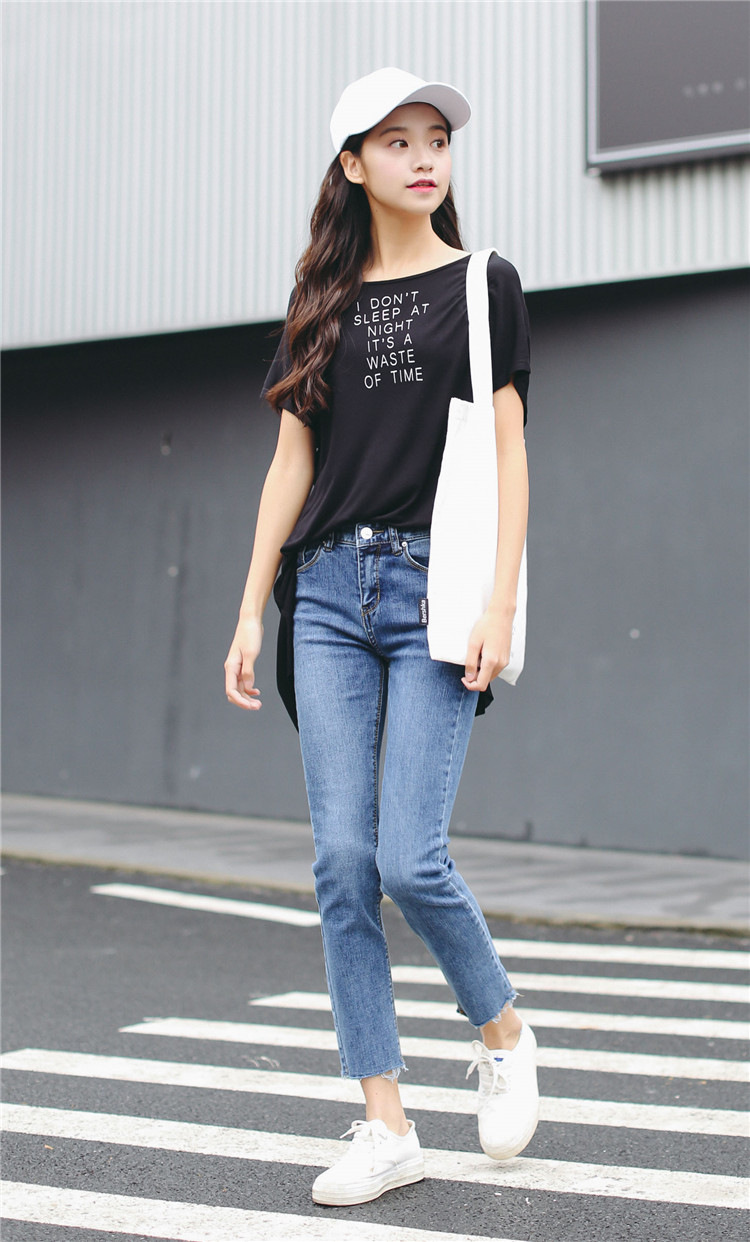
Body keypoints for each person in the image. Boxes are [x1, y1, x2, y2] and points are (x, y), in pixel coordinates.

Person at [225, 67, 538, 1208]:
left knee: (411, 858)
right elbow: (290, 465)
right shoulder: (320, 302)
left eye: (435, 139)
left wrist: (499, 602)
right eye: (396, 142)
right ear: (353, 165)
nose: (423, 158)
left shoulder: (483, 282)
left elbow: (508, 453)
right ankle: (386, 1121)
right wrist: (250, 608)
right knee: (342, 867)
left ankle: (501, 1028)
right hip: (323, 596)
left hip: (432, 590)